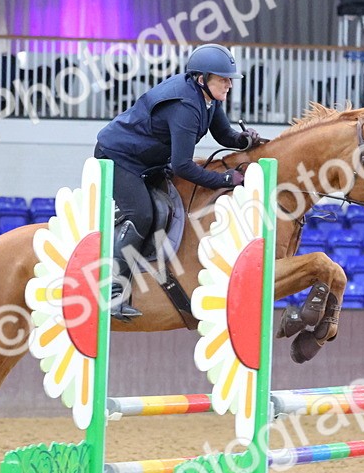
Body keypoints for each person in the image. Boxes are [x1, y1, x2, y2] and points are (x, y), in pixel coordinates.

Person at [94, 43, 265, 322]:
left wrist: (242, 140)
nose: (229, 85)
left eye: (229, 79)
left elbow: (223, 134)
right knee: (143, 213)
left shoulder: (207, 98)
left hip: (147, 160)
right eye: (223, 79)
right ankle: (113, 290)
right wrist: (224, 179)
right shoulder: (185, 106)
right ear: (202, 79)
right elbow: (182, 165)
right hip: (118, 158)